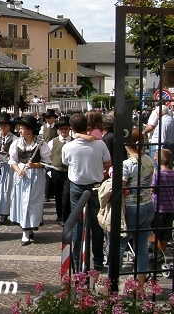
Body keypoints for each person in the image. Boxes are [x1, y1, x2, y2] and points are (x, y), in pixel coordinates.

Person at [62, 112, 112, 270]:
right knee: (97, 224)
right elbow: (108, 163)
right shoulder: (100, 144)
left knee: (77, 224)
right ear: (87, 127)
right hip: (95, 185)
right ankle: (97, 261)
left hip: (77, 185)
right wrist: (98, 170)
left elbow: (66, 162)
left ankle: (77, 262)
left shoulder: (68, 146)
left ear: (72, 129)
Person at [119, 127, 155, 290]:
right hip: (148, 205)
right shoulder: (148, 159)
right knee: (141, 246)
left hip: (132, 207)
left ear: (128, 145)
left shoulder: (127, 165)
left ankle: (111, 284)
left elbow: (122, 187)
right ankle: (140, 285)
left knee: (120, 244)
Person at [9, 115, 51, 246]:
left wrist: (35, 165)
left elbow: (47, 163)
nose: (20, 131)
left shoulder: (41, 144)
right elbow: (12, 160)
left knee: (32, 202)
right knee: (22, 201)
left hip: (35, 176)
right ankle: (25, 229)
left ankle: (29, 228)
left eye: (22, 128)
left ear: (30, 130)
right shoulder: (16, 143)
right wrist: (17, 170)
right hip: (22, 176)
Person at [47, 116, 72, 224]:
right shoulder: (53, 142)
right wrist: (48, 169)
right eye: (61, 129)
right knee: (58, 193)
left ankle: (65, 217)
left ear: (69, 129)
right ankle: (59, 214)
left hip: (68, 171)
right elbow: (47, 155)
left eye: (66, 128)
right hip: (56, 170)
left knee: (66, 194)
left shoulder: (73, 141)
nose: (63, 131)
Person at [151, 148, 174, 262]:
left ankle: (157, 253)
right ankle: (162, 253)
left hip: (159, 207)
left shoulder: (158, 174)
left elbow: (153, 189)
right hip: (170, 207)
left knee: (155, 232)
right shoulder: (172, 173)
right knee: (166, 232)